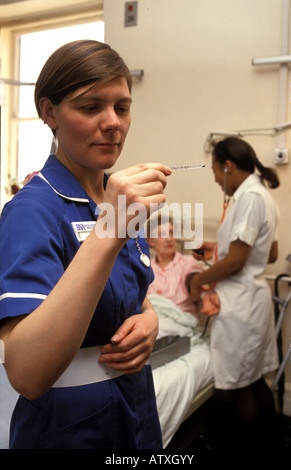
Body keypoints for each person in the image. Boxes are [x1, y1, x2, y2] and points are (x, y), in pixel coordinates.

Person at [0, 40, 172, 449]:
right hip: (71, 424)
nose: (113, 122)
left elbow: (127, 292)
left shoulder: (116, 198)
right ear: (49, 113)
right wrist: (108, 231)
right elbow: (25, 372)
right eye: (91, 107)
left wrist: (149, 321)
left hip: (135, 407)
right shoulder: (32, 211)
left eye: (122, 107)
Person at [189, 137, 280, 448]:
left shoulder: (249, 198)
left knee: (241, 386)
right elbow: (268, 253)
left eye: (215, 172)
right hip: (252, 302)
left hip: (241, 305)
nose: (216, 180)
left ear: (227, 166)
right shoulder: (261, 194)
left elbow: (237, 263)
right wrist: (220, 249)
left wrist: (198, 282)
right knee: (254, 381)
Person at [147, 215, 204, 316]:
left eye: (171, 233)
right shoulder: (146, 267)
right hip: (151, 320)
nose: (169, 239)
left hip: (180, 322)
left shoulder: (188, 263)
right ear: (151, 241)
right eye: (162, 234)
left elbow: (195, 280)